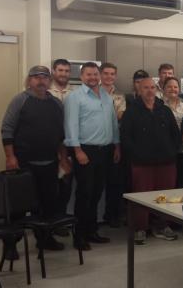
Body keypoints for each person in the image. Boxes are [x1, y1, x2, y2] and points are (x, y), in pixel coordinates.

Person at [1, 65, 69, 251]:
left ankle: (45, 240)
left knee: (48, 204)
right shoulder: (20, 101)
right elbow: (7, 129)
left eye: (44, 77)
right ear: (29, 81)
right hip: (23, 163)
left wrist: (63, 159)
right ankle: (10, 246)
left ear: (49, 81)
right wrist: (10, 157)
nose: (41, 80)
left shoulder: (56, 103)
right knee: (19, 207)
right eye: (36, 77)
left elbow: (62, 135)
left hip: (49, 163)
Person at [64, 62, 120, 250]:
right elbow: (70, 126)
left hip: (105, 150)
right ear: (81, 77)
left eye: (95, 74)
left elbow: (113, 123)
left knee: (97, 193)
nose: (93, 78)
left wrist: (117, 146)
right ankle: (79, 236)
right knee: (84, 194)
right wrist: (77, 151)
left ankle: (91, 231)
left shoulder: (105, 95)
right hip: (85, 151)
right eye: (89, 75)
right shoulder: (75, 97)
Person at [120, 77, 181, 245]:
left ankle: (162, 225)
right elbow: (126, 137)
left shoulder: (165, 110)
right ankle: (140, 228)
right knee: (141, 196)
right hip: (142, 163)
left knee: (166, 195)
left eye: (152, 87)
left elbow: (175, 134)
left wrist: (172, 151)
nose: (149, 90)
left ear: (157, 89)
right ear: (139, 90)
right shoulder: (131, 111)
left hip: (166, 162)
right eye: (145, 87)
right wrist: (137, 155)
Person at [100, 63, 127, 228]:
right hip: (95, 143)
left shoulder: (120, 96)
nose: (109, 77)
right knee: (93, 184)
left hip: (114, 143)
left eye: (112, 74)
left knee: (114, 183)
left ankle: (110, 215)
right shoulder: (92, 93)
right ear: (100, 74)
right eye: (106, 73)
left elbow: (119, 116)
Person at [48, 59, 74, 230]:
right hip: (50, 145)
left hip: (70, 144)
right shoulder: (46, 91)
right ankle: (49, 225)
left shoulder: (76, 92)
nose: (63, 74)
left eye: (66, 71)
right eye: (60, 70)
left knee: (66, 185)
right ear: (54, 71)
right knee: (50, 189)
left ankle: (61, 223)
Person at [163, 77, 183, 188]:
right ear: (163, 89)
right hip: (166, 149)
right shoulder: (159, 105)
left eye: (175, 87)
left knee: (181, 179)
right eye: (169, 86)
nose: (172, 89)